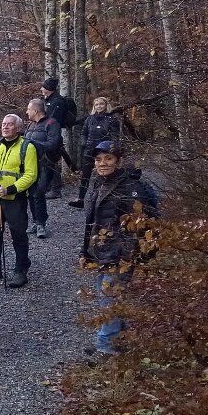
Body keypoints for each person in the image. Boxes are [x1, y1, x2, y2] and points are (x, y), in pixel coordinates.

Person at [80, 141, 147, 355]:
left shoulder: (130, 187)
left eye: (108, 158)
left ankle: (105, 347)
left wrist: (127, 253)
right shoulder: (98, 182)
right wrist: (85, 251)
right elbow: (92, 221)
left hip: (120, 254)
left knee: (108, 298)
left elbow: (142, 224)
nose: (103, 163)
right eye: (99, 160)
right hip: (102, 251)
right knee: (111, 297)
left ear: (118, 161)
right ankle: (119, 340)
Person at [0, 114, 38, 288]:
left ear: (18, 128)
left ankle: (21, 270)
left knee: (18, 234)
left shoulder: (27, 147)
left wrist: (10, 189)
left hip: (15, 199)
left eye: (10, 124)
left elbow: (31, 175)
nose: (5, 127)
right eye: (3, 124)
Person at [69, 96, 123, 209]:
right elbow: (83, 133)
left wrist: (112, 148)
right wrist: (84, 143)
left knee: (104, 174)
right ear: (94, 106)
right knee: (85, 175)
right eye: (97, 104)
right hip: (89, 150)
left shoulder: (111, 119)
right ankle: (81, 199)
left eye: (101, 104)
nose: (99, 106)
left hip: (104, 151)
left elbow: (115, 136)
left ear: (106, 105)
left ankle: (103, 199)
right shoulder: (89, 119)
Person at [24, 98, 62, 239]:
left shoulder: (52, 124)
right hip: (30, 165)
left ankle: (41, 224)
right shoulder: (30, 125)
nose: (27, 112)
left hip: (46, 164)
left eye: (28, 109)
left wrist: (33, 144)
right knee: (31, 193)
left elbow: (53, 143)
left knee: (39, 192)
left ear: (35, 110)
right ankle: (35, 221)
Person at [41, 77, 78, 197]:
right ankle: (48, 187)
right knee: (47, 161)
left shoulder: (57, 102)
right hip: (50, 135)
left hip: (53, 136)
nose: (42, 89)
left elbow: (53, 121)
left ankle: (56, 190)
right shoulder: (49, 100)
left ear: (49, 89)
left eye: (44, 87)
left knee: (52, 161)